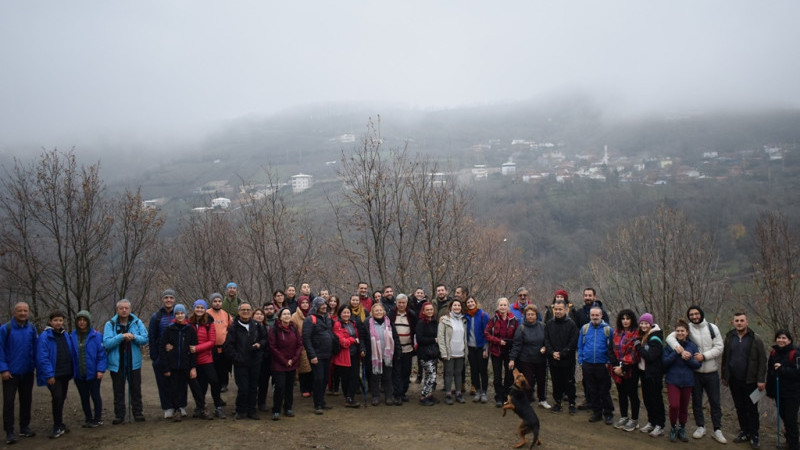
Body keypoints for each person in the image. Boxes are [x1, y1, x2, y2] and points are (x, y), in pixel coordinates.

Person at [665, 304, 727, 444]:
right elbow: (670, 337)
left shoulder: (712, 328)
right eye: (691, 315)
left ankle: (717, 429)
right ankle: (700, 426)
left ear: (701, 314)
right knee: (697, 402)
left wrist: (704, 356)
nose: (694, 317)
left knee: (715, 402)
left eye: (696, 314)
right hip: (695, 373)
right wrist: (680, 350)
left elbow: (719, 347)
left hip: (711, 370)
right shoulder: (689, 329)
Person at [722, 312, 767, 448]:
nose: (739, 323)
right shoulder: (729, 337)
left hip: (751, 381)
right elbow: (725, 358)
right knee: (739, 407)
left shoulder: (755, 339)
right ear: (733, 322)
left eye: (742, 320)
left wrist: (761, 379)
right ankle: (744, 431)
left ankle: (754, 435)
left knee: (752, 408)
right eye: (737, 320)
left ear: (747, 322)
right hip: (734, 380)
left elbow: (762, 360)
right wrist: (725, 376)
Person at [103, 299, 148, 424]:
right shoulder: (110, 324)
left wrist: (133, 337)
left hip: (134, 362)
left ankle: (138, 413)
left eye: (126, 308)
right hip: (116, 363)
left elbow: (145, 339)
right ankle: (119, 415)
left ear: (130, 309)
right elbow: (107, 343)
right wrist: (121, 337)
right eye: (121, 308)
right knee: (118, 390)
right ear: (117, 310)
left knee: (136, 389)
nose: (124, 310)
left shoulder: (137, 322)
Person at [1, 302, 38, 444]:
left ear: (28, 312)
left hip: (27, 371)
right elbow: (1, 350)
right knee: (9, 402)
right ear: (14, 312)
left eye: (25, 310)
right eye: (20, 310)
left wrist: (36, 366)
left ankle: (24, 427)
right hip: (10, 373)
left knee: (26, 400)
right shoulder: (6, 329)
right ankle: (9, 431)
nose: (22, 313)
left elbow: (35, 349)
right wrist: (3, 369)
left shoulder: (31, 329)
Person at [224, 302, 267, 420]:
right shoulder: (233, 327)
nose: (246, 312)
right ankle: (240, 409)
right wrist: (237, 358)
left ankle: (251, 410)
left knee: (253, 387)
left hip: (255, 362)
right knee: (243, 388)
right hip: (240, 363)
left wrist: (259, 344)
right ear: (239, 312)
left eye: (248, 310)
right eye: (243, 310)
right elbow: (228, 347)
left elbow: (265, 339)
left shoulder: (256, 325)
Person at [36, 310, 74, 438]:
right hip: (54, 375)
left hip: (65, 373)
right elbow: (43, 357)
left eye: (60, 320)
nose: (58, 323)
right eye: (55, 320)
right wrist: (49, 375)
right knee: (57, 398)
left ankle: (60, 423)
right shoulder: (45, 336)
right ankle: (56, 426)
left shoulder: (65, 335)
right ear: (50, 321)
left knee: (61, 398)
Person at [663, 318, 702, 442]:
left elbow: (698, 364)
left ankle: (682, 428)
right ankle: (673, 427)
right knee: (674, 405)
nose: (680, 333)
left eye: (682, 331)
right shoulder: (670, 346)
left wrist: (688, 358)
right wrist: (676, 353)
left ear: (687, 333)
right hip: (672, 380)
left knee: (684, 407)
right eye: (678, 331)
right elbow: (664, 362)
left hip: (687, 381)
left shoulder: (692, 346)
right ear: (675, 332)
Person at [160, 304, 197, 422]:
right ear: (174, 315)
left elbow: (193, 349)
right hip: (173, 364)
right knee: (173, 387)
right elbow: (162, 347)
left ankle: (182, 407)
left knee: (183, 387)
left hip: (185, 364)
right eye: (177, 313)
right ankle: (175, 409)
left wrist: (193, 366)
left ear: (185, 314)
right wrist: (165, 367)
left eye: (182, 313)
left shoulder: (190, 329)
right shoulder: (169, 329)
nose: (180, 316)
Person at [578, 306, 615, 425]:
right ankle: (597, 412)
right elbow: (580, 346)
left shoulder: (608, 330)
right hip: (587, 364)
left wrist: (609, 362)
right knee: (592, 390)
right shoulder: (584, 328)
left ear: (601, 316)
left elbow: (612, 348)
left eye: (597, 315)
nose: (594, 317)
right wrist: (581, 361)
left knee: (604, 390)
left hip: (602, 365)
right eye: (592, 315)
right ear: (589, 316)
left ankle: (608, 413)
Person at [187, 299, 224, 419]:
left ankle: (218, 406)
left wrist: (197, 348)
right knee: (200, 385)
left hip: (206, 358)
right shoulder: (189, 322)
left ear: (205, 309)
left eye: (202, 308)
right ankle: (200, 407)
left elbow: (212, 341)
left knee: (214, 382)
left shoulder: (209, 322)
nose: (199, 310)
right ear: (194, 308)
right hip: (193, 359)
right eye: (197, 307)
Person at [70, 310, 107, 428]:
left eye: (84, 320)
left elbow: (102, 355)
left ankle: (98, 418)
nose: (82, 323)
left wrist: (100, 370)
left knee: (95, 395)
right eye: (79, 320)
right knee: (84, 397)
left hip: (94, 372)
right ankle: (88, 418)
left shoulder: (96, 336)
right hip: (79, 373)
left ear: (88, 321)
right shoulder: (72, 336)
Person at [509, 304, 551, 409]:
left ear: (536, 315)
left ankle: (542, 400)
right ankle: (526, 401)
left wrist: (545, 347)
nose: (531, 316)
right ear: (525, 316)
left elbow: (548, 340)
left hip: (540, 358)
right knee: (528, 381)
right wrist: (512, 359)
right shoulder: (521, 328)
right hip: (526, 359)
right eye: (528, 314)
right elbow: (516, 345)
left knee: (541, 380)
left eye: (533, 314)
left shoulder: (543, 326)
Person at [575, 287, 609, 410]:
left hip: (601, 358)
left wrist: (608, 360)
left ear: (595, 297)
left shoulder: (603, 314)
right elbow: (578, 335)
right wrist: (581, 358)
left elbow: (609, 338)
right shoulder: (579, 313)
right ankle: (590, 402)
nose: (587, 297)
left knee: (603, 385)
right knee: (587, 382)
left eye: (590, 295)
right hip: (587, 357)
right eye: (586, 295)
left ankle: (605, 408)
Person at [544, 299, 579, 414]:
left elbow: (573, 342)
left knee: (569, 382)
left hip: (567, 359)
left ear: (566, 309)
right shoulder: (549, 324)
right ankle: (557, 402)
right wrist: (552, 352)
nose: (558, 311)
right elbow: (546, 340)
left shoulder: (571, 324)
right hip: (553, 359)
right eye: (556, 309)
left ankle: (572, 403)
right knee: (556, 381)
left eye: (560, 309)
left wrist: (563, 353)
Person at [766, 329, 800, 450]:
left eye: (784, 338)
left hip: (793, 393)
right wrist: (769, 389)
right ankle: (789, 440)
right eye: (779, 338)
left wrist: (782, 369)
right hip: (779, 392)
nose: (781, 340)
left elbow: (797, 373)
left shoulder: (795, 353)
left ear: (789, 340)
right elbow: (770, 372)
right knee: (784, 417)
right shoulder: (774, 352)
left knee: (791, 419)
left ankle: (794, 445)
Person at [634, 313, 666, 437]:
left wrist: (638, 347)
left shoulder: (655, 338)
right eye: (641, 323)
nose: (643, 325)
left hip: (654, 374)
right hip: (644, 372)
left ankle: (660, 425)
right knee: (647, 399)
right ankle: (651, 422)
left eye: (646, 323)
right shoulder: (644, 335)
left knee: (656, 399)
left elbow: (650, 356)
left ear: (651, 324)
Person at [269, 307, 303, 420]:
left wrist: (293, 360)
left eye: (289, 313)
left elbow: (299, 344)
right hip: (279, 364)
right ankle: (276, 409)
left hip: (292, 363)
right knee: (279, 387)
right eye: (284, 314)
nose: (287, 316)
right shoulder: (274, 329)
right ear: (279, 317)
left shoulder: (294, 328)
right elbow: (273, 347)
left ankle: (288, 408)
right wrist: (284, 361)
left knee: (289, 387)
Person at [611, 309, 641, 431]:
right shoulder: (616, 332)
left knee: (632, 394)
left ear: (632, 320)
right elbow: (611, 349)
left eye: (627, 318)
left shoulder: (636, 333)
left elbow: (634, 353)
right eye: (623, 318)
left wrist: (623, 367)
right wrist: (615, 366)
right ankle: (624, 416)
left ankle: (634, 419)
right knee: (621, 393)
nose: (625, 321)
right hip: (616, 369)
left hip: (630, 369)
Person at [485, 297, 519, 407]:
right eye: (501, 305)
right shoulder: (493, 319)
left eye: (505, 305)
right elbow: (487, 334)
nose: (503, 307)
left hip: (509, 352)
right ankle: (498, 397)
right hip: (496, 351)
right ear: (497, 306)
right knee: (497, 376)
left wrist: (509, 343)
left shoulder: (514, 320)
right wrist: (498, 341)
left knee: (509, 375)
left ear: (508, 307)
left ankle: (506, 396)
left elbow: (517, 337)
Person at [303, 297, 335, 414]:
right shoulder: (309, 319)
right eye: (321, 305)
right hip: (317, 355)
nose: (324, 306)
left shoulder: (327, 318)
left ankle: (322, 401)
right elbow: (306, 339)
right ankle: (317, 404)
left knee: (325, 379)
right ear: (316, 306)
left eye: (325, 304)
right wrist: (312, 355)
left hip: (327, 354)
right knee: (318, 379)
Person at [149, 289, 176, 419]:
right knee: (163, 382)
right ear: (162, 300)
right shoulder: (156, 317)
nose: (169, 300)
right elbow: (152, 337)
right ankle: (167, 407)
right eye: (166, 298)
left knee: (177, 382)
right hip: (161, 355)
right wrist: (155, 357)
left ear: (174, 300)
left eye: (171, 297)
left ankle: (178, 406)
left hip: (176, 355)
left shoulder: (180, 314)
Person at [333, 305, 365, 408]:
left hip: (355, 354)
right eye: (344, 313)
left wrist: (360, 347)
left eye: (348, 313)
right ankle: (348, 397)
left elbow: (358, 338)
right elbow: (343, 342)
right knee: (345, 378)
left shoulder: (353, 324)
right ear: (340, 314)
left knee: (355, 377)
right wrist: (353, 340)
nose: (346, 315)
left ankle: (350, 397)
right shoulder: (337, 325)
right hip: (344, 355)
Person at [439, 299, 467, 405]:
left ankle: (459, 394)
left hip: (460, 351)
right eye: (454, 305)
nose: (457, 307)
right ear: (450, 307)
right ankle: (448, 394)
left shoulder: (463, 320)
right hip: (449, 352)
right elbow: (441, 337)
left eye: (459, 305)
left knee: (458, 373)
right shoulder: (445, 320)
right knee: (449, 373)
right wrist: (444, 352)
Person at [390, 293, 416, 403]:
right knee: (396, 372)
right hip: (395, 349)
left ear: (406, 303)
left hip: (408, 349)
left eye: (403, 302)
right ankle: (397, 395)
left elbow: (415, 330)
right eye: (399, 302)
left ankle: (403, 392)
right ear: (396, 303)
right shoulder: (391, 314)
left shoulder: (411, 314)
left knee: (406, 372)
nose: (401, 304)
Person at [206, 292, 233, 394]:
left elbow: (231, 328)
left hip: (224, 347)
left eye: (219, 301)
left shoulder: (226, 314)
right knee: (214, 367)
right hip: (211, 347)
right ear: (211, 302)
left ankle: (224, 384)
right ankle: (215, 385)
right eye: (215, 301)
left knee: (224, 367)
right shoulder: (206, 313)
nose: (217, 303)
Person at [416, 301, 440, 406]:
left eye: (431, 309)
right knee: (431, 375)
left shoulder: (434, 322)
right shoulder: (421, 323)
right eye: (427, 310)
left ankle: (429, 394)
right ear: (423, 311)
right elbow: (419, 339)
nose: (430, 311)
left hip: (433, 352)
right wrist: (433, 340)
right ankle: (423, 396)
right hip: (424, 354)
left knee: (431, 376)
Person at [291, 296, 313, 398]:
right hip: (301, 345)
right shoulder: (294, 316)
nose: (305, 304)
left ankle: (311, 387)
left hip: (312, 344)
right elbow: (293, 331)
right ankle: (304, 388)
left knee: (312, 367)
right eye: (303, 303)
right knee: (304, 369)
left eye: (306, 303)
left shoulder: (312, 314)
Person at [252, 309, 271, 412]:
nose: (259, 316)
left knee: (264, 381)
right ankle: (251, 401)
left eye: (261, 314)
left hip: (266, 358)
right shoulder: (249, 327)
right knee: (254, 381)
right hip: (253, 357)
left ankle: (262, 402)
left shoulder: (267, 328)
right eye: (257, 314)